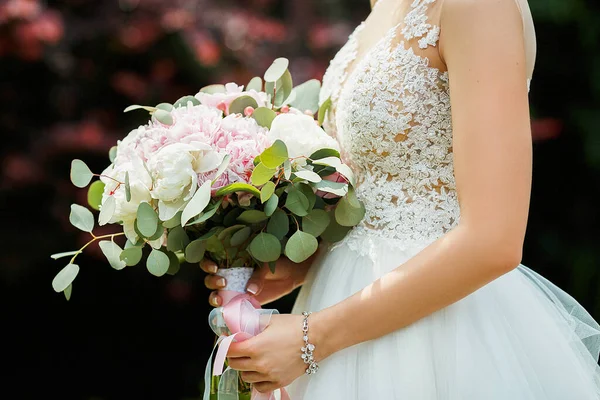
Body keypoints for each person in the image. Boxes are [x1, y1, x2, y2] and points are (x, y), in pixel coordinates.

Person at [202, 0, 600, 398]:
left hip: (440, 335)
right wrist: (301, 264)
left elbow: (494, 242)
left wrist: (312, 337)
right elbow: (375, 194)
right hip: (340, 307)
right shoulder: (384, 4)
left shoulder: (479, 7)